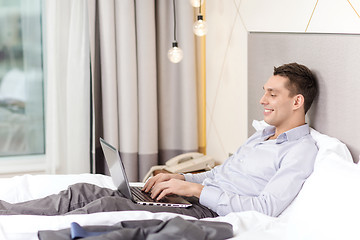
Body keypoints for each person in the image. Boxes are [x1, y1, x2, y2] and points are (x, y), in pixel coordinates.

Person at [0, 62, 318, 219]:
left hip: (210, 212)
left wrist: (194, 190)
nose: (262, 99)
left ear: (296, 102)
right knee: (84, 190)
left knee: (108, 206)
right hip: (194, 196)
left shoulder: (300, 151)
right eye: (264, 90)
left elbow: (266, 208)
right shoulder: (260, 134)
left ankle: (22, 230)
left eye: (272, 94)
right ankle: (8, 212)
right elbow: (220, 174)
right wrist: (181, 177)